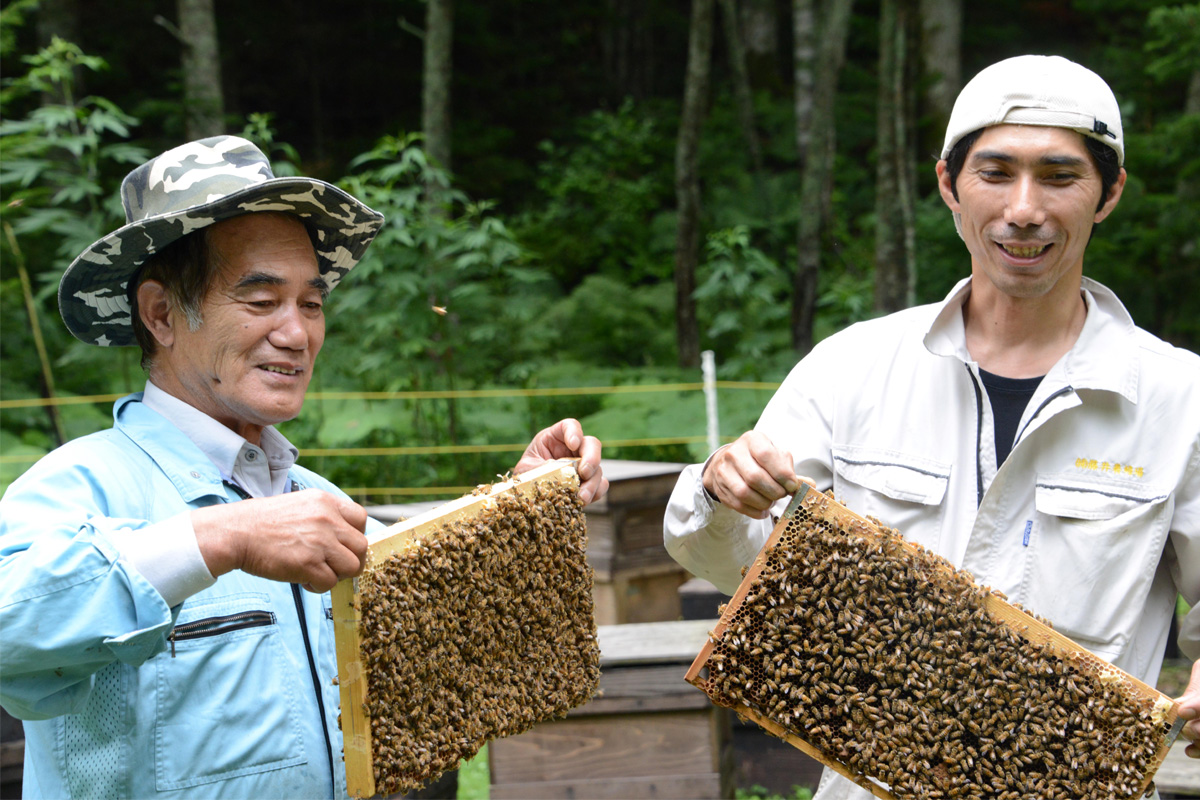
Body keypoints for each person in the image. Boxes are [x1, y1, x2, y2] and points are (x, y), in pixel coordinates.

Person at [0, 135, 608, 799]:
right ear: (162, 314)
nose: (297, 334)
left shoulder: (316, 500)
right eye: (262, 302)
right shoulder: (78, 486)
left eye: (311, 304)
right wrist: (222, 538)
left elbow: (443, 642)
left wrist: (517, 510)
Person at [664, 55, 1199, 798]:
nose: (1023, 208)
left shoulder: (1180, 397)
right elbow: (731, 566)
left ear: (1108, 194)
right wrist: (723, 494)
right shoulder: (852, 366)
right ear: (948, 183)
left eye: (1059, 175)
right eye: (996, 171)